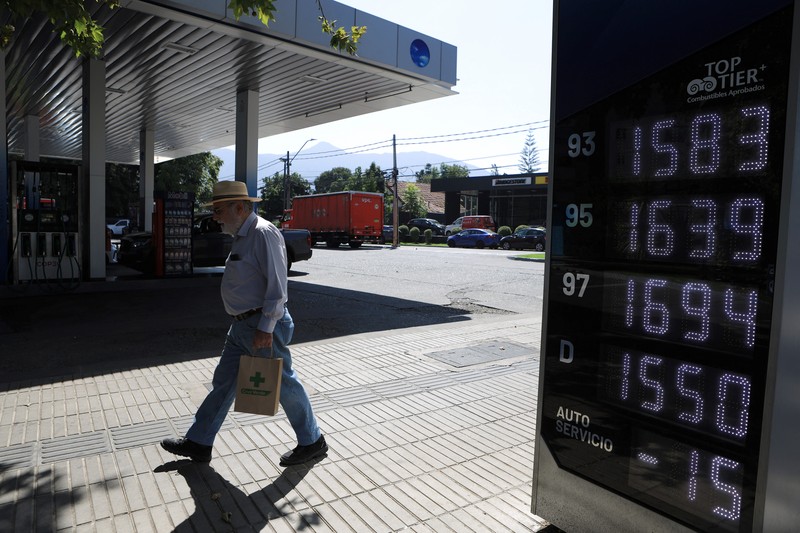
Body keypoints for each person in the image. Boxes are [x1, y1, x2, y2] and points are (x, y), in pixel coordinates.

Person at [161, 181, 327, 466]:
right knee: (224, 382)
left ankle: (312, 441)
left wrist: (265, 327)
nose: (215, 216)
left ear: (239, 207)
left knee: (284, 384)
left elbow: (278, 286)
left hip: (260, 326)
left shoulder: (263, 233)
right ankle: (200, 441)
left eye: (218, 209)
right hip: (243, 326)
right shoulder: (242, 233)